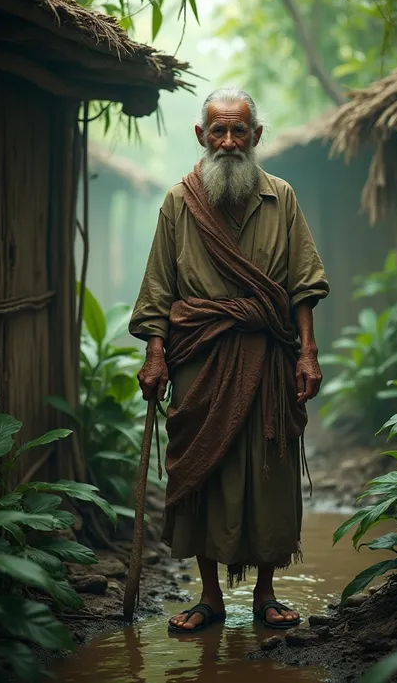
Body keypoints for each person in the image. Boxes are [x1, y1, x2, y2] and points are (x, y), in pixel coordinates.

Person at [129, 88, 329, 633]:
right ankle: (211, 596)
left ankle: (266, 592)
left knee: (270, 469)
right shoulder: (178, 202)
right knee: (202, 472)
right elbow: (158, 290)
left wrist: (307, 351)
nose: (228, 141)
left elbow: (303, 284)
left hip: (268, 357)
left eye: (239, 130)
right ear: (200, 135)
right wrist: (155, 353)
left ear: (256, 136)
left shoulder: (281, 198)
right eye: (217, 130)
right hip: (200, 359)